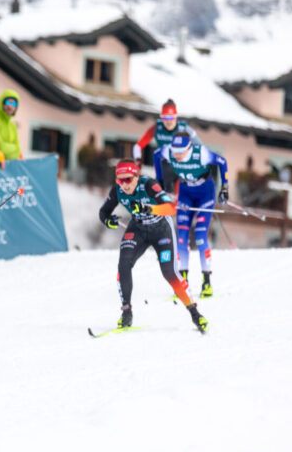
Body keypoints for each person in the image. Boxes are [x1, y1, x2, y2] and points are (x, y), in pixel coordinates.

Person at [98, 160, 208, 333]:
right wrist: (108, 221)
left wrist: (148, 208)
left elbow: (170, 208)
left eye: (127, 180)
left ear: (136, 177)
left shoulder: (148, 184)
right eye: (120, 180)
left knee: (169, 272)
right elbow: (103, 212)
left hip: (161, 230)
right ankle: (126, 311)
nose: (124, 185)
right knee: (123, 265)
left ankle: (194, 313)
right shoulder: (118, 191)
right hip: (138, 229)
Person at [152, 132, 229, 297]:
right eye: (175, 151)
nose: (177, 155)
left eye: (181, 151)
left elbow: (222, 161)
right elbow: (156, 154)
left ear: (188, 148)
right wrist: (160, 181)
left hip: (205, 194)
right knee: (181, 239)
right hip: (185, 193)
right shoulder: (168, 151)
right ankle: (183, 282)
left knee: (200, 237)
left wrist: (225, 187)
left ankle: (206, 282)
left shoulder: (200, 153)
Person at [133, 99, 200, 169]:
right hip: (164, 166)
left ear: (176, 117)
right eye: (165, 117)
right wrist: (138, 160)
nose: (168, 121)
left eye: (171, 117)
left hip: (182, 166)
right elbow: (138, 146)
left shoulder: (185, 129)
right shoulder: (156, 128)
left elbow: (200, 147)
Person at [0, 89, 23, 160]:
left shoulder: (12, 125)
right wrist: (14, 148)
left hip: (9, 166)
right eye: (7, 102)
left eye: (13, 104)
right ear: (1, 103)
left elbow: (18, 150)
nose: (10, 106)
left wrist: (15, 150)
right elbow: (0, 147)